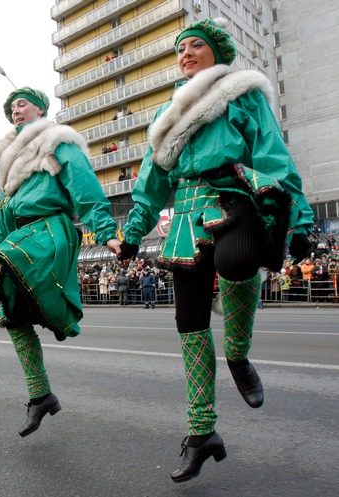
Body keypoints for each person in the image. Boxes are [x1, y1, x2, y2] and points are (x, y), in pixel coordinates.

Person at [116, 18, 314, 482]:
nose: (185, 53)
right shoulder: (167, 114)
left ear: (216, 53)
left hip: (234, 196)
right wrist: (132, 233)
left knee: (238, 260)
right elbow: (150, 184)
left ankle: (239, 353)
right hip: (184, 216)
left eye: (195, 46)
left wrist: (301, 217)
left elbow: (272, 153)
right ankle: (202, 433)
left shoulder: (241, 93)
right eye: (180, 49)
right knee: (189, 324)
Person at [0, 86, 119, 437]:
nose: (15, 110)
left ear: (40, 109)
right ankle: (40, 394)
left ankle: (57, 314)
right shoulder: (9, 166)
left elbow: (85, 187)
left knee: (28, 267)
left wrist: (106, 232)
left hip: (52, 228)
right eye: (11, 107)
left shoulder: (59, 142)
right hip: (19, 238)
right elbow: (5, 215)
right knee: (12, 316)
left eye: (21, 104)